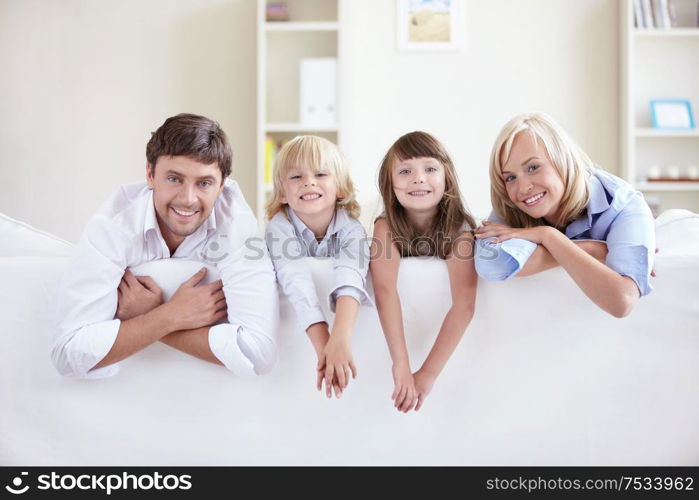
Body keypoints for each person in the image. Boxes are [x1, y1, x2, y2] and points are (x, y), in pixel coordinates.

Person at [51, 113, 279, 379]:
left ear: (221, 186)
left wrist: (150, 316)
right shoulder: (115, 224)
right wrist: (170, 316)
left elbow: (258, 355)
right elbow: (68, 354)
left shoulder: (236, 225)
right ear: (150, 174)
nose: (188, 199)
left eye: (204, 183)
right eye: (174, 179)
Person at [474, 112, 656, 318]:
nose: (523, 188)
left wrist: (547, 236)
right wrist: (592, 248)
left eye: (533, 167)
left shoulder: (624, 203)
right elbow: (492, 265)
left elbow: (621, 301)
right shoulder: (510, 204)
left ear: (562, 160)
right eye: (510, 177)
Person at [371, 131, 478, 413]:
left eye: (430, 169)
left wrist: (428, 373)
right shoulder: (385, 227)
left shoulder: (460, 229)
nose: (418, 178)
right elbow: (384, 290)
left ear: (447, 178)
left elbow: (464, 305)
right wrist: (401, 363)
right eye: (405, 171)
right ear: (389, 183)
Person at [265, 135, 371, 398]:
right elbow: (295, 279)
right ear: (282, 193)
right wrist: (324, 347)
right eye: (296, 177)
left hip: (339, 332)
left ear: (341, 188)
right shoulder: (278, 227)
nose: (309, 182)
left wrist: (341, 337)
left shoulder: (351, 228)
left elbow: (351, 274)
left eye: (321, 174)